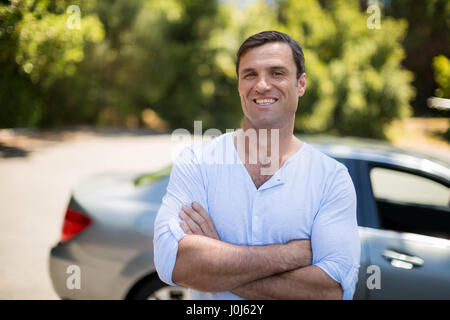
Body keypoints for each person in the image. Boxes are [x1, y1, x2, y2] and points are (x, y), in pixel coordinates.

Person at [153, 30, 361, 300]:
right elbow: (174, 262)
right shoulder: (198, 162)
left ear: (300, 84)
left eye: (277, 73)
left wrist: (218, 259)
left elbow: (330, 291)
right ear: (239, 85)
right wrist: (288, 256)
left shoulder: (331, 179)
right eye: (250, 74)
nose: (262, 85)